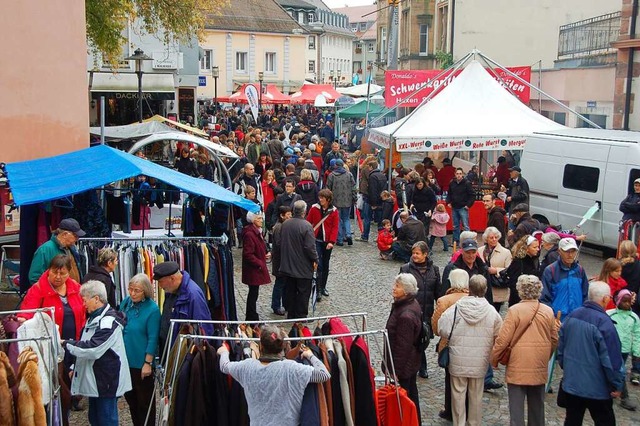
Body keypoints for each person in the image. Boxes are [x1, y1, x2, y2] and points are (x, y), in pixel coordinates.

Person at [218, 324, 330, 426]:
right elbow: (324, 374)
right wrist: (311, 355)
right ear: (282, 347)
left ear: (261, 346)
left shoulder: (247, 367)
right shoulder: (292, 369)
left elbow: (224, 366)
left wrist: (224, 352)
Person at [19, 254, 86, 421]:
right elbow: (25, 315)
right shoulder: (38, 289)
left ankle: (69, 406)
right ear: (48, 271)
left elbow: (85, 310)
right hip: (50, 348)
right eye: (54, 272)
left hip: (73, 344)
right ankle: (58, 418)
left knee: (72, 379)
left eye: (62, 273)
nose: (58, 277)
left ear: (69, 273)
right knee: (57, 387)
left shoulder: (76, 288)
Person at [491, 275, 558, 426]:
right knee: (537, 408)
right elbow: (554, 338)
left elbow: (503, 340)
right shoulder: (547, 311)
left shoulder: (515, 311)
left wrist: (494, 359)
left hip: (517, 363)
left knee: (516, 409)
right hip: (538, 364)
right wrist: (546, 355)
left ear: (520, 290)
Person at [64, 281, 132, 426]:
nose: (83, 304)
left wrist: (66, 344)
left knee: (106, 420)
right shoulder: (95, 318)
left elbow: (93, 349)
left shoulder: (108, 322)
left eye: (85, 299)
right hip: (97, 380)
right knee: (95, 418)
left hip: (106, 381)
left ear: (96, 298)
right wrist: (74, 367)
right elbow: (87, 345)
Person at [437, 275, 503, 426]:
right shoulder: (492, 312)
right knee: (476, 395)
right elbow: (499, 333)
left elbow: (443, 329)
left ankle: (459, 423)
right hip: (480, 359)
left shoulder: (456, 308)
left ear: (469, 289)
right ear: (485, 290)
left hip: (458, 358)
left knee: (458, 393)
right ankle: (474, 423)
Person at [558, 281, 624, 425]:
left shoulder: (572, 316)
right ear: (606, 299)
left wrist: (568, 369)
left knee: (572, 420)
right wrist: (617, 384)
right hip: (597, 389)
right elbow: (612, 360)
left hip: (573, 384)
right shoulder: (605, 323)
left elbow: (561, 349)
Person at [120, 274, 161, 426]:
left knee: (145, 403)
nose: (132, 293)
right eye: (130, 289)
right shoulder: (126, 302)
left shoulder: (152, 309)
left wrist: (147, 362)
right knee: (131, 399)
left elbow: (153, 338)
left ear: (145, 291)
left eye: (137, 290)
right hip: (125, 361)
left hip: (141, 362)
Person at [385, 273, 423, 424]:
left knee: (405, 401)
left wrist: (395, 371)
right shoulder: (407, 304)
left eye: (397, 286)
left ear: (406, 291)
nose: (393, 288)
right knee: (411, 397)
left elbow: (403, 347)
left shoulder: (406, 314)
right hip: (409, 363)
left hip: (403, 366)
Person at [432, 269, 470, 421]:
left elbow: (436, 326)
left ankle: (450, 410)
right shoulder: (474, 299)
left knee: (450, 380)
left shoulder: (444, 300)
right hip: (469, 345)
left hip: (450, 345)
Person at [399, 241, 441, 379]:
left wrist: (440, 307)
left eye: (417, 253)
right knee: (410, 340)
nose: (415, 256)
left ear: (425, 254)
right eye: (413, 253)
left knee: (422, 340)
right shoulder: (406, 269)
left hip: (427, 311)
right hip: (411, 311)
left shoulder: (434, 270)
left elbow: (437, 292)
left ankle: (421, 365)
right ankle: (416, 366)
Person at [153, 261, 213, 353]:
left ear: (172, 278)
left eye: (161, 282)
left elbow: (203, 328)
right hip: (171, 349)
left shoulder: (193, 295)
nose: (160, 286)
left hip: (182, 354)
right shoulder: (172, 290)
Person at [279, 200, 318, 319]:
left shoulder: (285, 224)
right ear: (304, 212)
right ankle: (301, 315)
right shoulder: (306, 226)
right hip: (302, 267)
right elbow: (310, 247)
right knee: (303, 292)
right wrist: (315, 259)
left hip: (287, 264)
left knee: (290, 291)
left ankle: (291, 313)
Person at [540, 237, 589, 321]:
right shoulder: (550, 271)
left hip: (577, 318)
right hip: (558, 320)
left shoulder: (580, 270)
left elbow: (585, 295)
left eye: (573, 251)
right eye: (567, 251)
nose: (570, 255)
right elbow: (544, 298)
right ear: (559, 251)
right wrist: (552, 318)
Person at [606, 289, 640, 410]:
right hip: (611, 348)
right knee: (618, 371)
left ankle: (617, 391)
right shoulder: (609, 314)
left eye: (629, 301)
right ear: (618, 301)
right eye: (624, 301)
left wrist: (636, 352)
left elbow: (637, 335)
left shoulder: (634, 318)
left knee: (619, 370)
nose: (626, 304)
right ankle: (623, 397)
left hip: (625, 349)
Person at [28, 218, 85, 284]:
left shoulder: (71, 248)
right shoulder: (45, 250)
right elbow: (34, 277)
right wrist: (52, 291)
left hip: (71, 292)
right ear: (65, 234)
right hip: (55, 293)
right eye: (75, 236)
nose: (77, 238)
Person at [307, 189, 339, 302]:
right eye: (319, 197)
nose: (320, 200)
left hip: (327, 241)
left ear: (328, 200)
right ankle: (319, 289)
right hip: (316, 240)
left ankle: (323, 286)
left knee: (325, 264)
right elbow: (308, 221)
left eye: (322, 198)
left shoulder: (334, 211)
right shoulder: (314, 208)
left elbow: (335, 227)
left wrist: (331, 241)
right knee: (319, 265)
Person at [441, 238, 493, 303]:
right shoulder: (451, 269)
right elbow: (444, 292)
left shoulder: (482, 268)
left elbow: (488, 293)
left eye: (473, 252)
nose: (471, 256)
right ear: (462, 252)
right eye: (468, 253)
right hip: (458, 306)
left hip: (479, 307)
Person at [242, 211, 272, 322]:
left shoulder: (256, 232)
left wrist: (264, 254)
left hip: (255, 268)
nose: (261, 220)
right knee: (253, 294)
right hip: (253, 269)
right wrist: (259, 263)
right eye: (259, 218)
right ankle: (251, 316)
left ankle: (252, 315)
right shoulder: (250, 234)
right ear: (253, 220)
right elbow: (248, 254)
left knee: (254, 293)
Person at [478, 226, 513, 311]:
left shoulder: (506, 252)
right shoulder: (479, 250)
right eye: (491, 237)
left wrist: (496, 270)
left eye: (496, 237)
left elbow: (510, 269)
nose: (494, 239)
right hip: (483, 287)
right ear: (486, 239)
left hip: (497, 288)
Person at [504, 235, 540, 307]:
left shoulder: (534, 260)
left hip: (531, 299)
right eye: (534, 247)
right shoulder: (518, 262)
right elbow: (513, 283)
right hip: (519, 301)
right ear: (526, 248)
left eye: (538, 247)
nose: (538, 249)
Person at [271, 206, 291, 316]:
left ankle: (284, 304)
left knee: (283, 284)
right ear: (282, 215)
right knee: (279, 284)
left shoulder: (284, 226)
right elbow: (279, 244)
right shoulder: (279, 227)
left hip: (283, 261)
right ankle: (276, 306)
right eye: (288, 214)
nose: (290, 216)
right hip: (280, 261)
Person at [446, 168, 475, 245]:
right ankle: (456, 242)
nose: (458, 175)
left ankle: (468, 242)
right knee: (455, 226)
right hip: (454, 207)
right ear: (455, 174)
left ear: (462, 174)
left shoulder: (467, 183)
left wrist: (468, 205)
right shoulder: (452, 183)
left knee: (465, 226)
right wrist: (448, 202)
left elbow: (472, 195)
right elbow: (449, 194)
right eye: (457, 174)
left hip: (463, 207)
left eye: (460, 173)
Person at [619, 240, 640, 317]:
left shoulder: (617, 265)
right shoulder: (638, 265)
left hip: (620, 300)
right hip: (634, 301)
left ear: (621, 252)